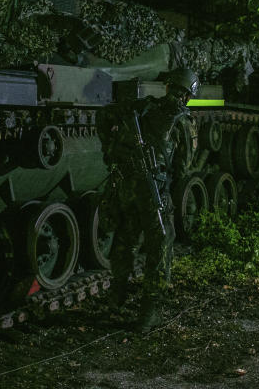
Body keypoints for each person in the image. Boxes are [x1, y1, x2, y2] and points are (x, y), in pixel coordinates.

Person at [97, 66, 199, 330]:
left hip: (127, 188)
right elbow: (184, 166)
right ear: (188, 95)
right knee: (161, 248)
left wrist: (109, 150)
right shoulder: (182, 120)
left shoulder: (141, 107)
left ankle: (115, 300)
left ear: (168, 86)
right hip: (155, 192)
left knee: (125, 240)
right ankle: (148, 313)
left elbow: (104, 115)